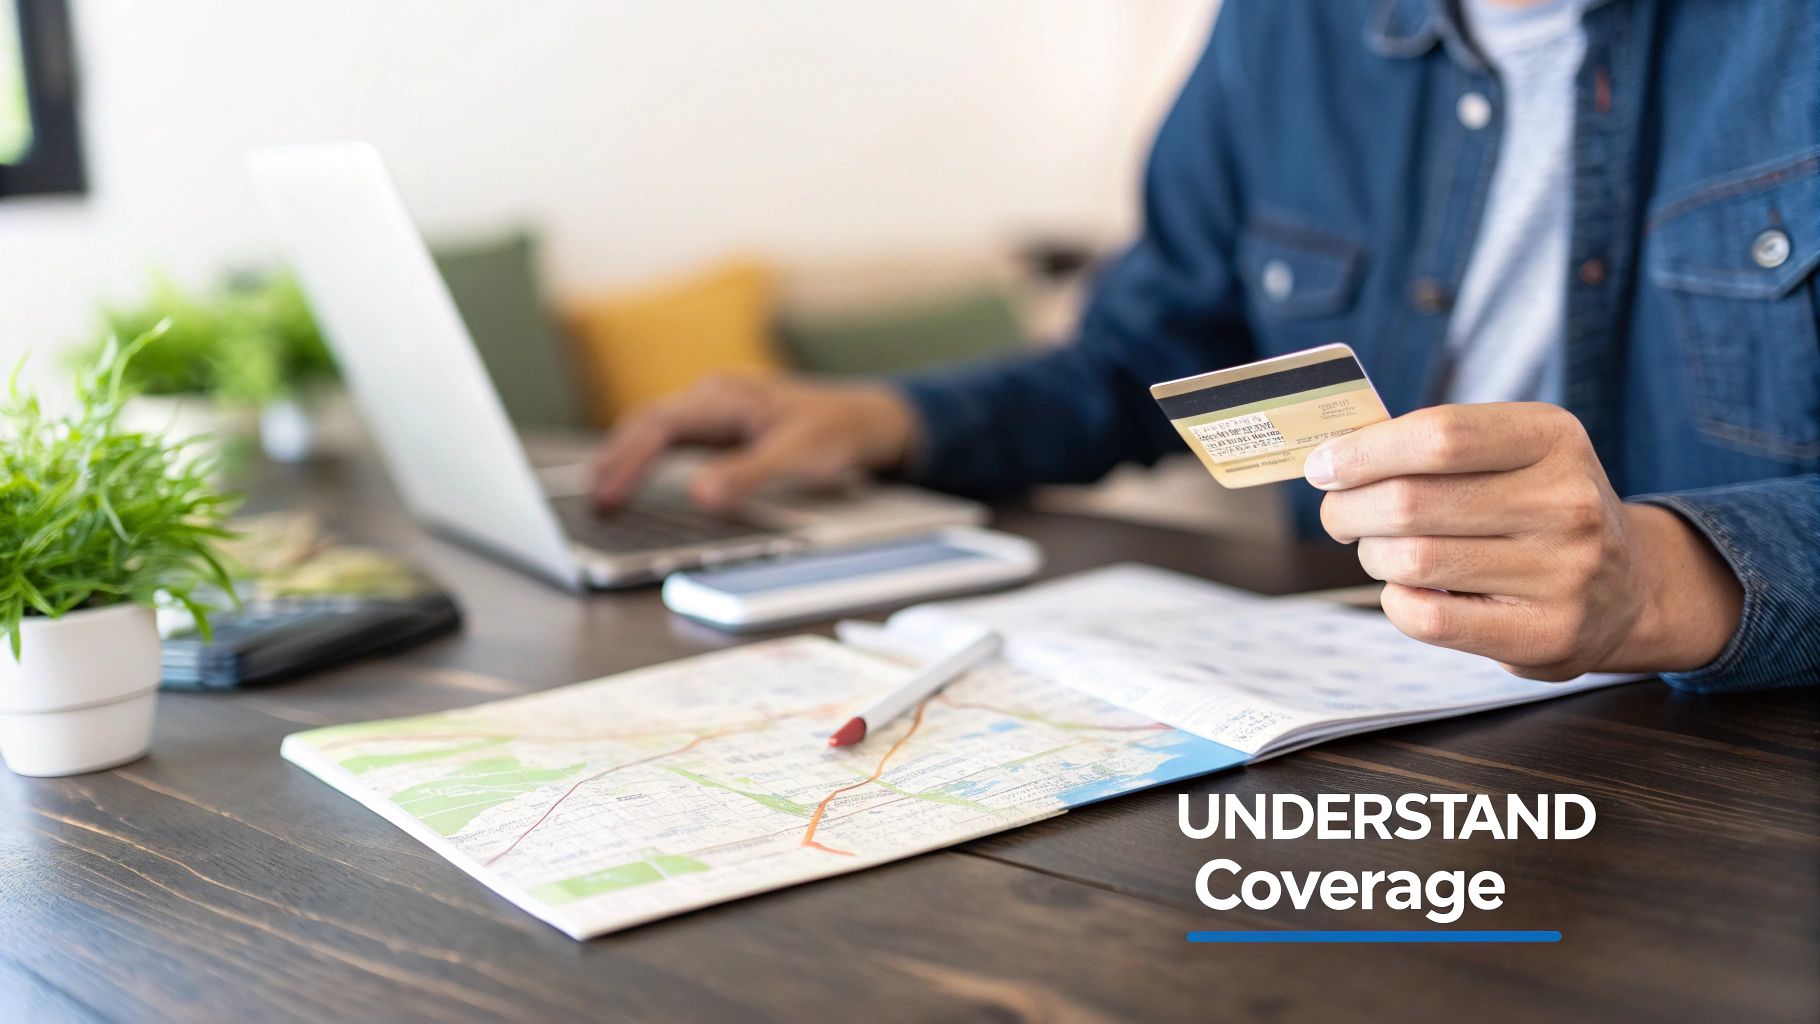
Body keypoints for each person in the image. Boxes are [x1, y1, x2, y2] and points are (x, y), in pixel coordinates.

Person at [591, 0, 1818, 692]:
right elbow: (1151, 363)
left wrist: (1661, 582)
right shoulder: (1281, 32)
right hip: (1359, 726)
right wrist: (891, 421)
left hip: (1735, 778)